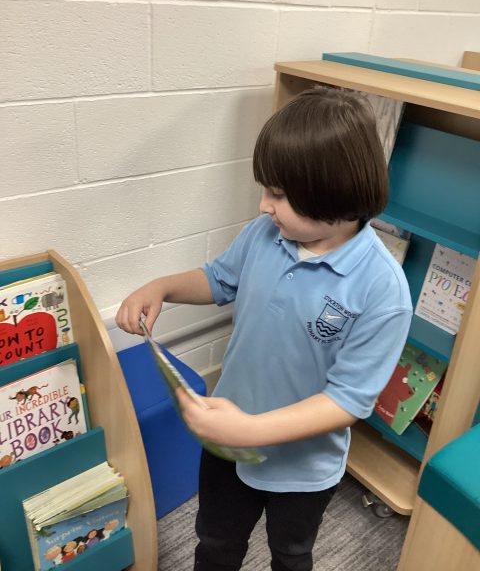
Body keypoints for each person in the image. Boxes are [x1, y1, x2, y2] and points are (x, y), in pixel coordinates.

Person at [116, 86, 413, 571]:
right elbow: (219, 279)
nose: (262, 206)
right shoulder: (265, 234)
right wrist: (163, 287)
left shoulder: (383, 290)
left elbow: (347, 401)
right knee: (215, 541)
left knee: (290, 555)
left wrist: (252, 429)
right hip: (227, 442)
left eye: (278, 194)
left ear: (332, 194)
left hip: (304, 470)